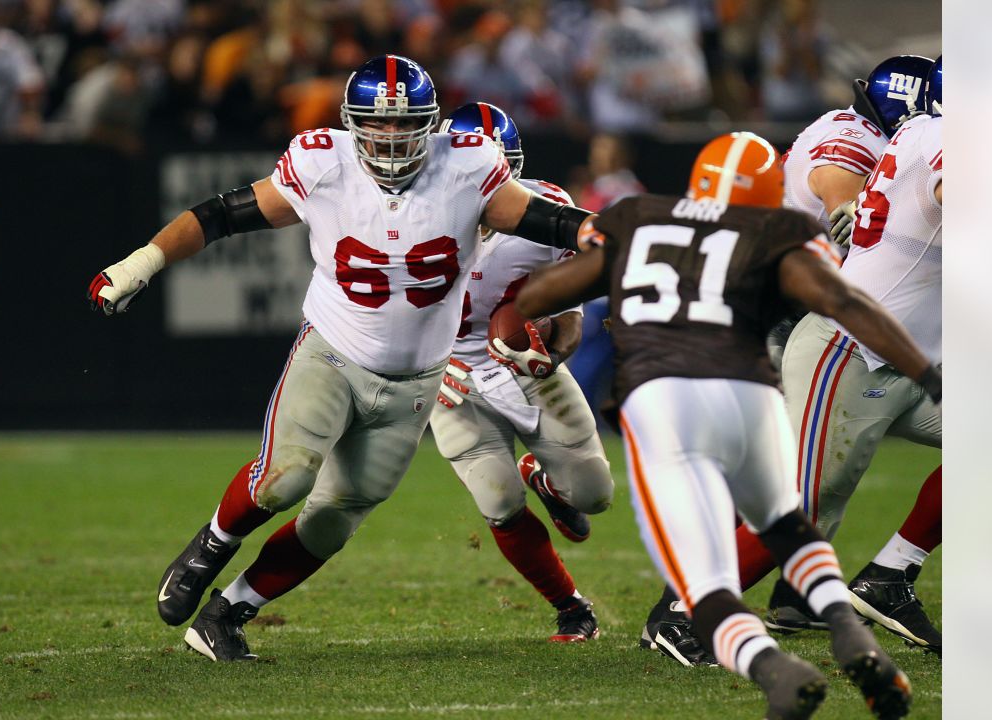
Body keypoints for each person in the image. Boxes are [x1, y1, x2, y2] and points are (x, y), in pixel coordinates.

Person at [86, 55, 596, 661]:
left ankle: (227, 613)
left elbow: (547, 221)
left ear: (431, 126)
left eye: (405, 124)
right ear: (353, 125)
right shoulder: (323, 163)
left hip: (417, 383)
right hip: (333, 353)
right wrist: (144, 262)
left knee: (333, 519)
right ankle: (213, 544)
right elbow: (223, 215)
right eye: (376, 126)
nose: (389, 138)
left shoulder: (466, 167)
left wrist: (600, 235)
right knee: (287, 477)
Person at [515, 131, 935, 719]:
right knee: (788, 523)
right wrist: (927, 373)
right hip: (746, 395)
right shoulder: (782, 233)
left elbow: (542, 294)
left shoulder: (639, 218)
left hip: (665, 404)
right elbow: (847, 303)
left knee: (701, 575)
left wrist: (588, 297)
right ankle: (846, 627)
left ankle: (772, 669)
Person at [641, 54, 940, 664]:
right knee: (803, 501)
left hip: (909, 353)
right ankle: (685, 612)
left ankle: (888, 576)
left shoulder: (915, 132)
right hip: (843, 345)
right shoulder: (928, 139)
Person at [430, 102, 613, 642]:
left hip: (525, 365)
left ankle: (546, 476)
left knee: (594, 495)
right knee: (498, 500)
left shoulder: (547, 206)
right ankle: (571, 607)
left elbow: (575, 300)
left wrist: (555, 342)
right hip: (450, 375)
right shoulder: (405, 214)